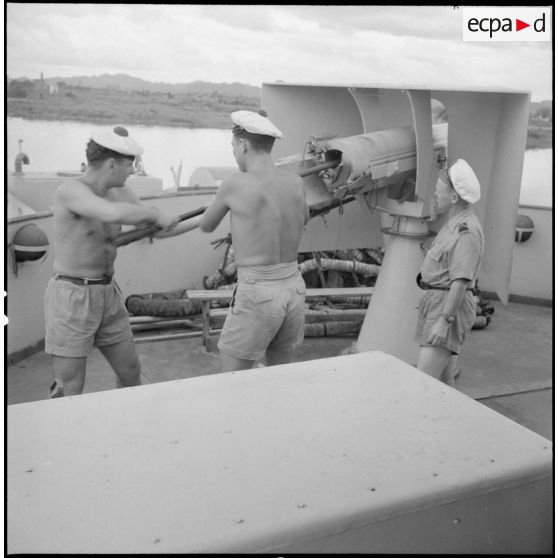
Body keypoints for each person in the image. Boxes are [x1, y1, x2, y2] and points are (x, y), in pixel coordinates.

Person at [45, 126, 177, 397]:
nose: (134, 169)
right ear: (111, 163)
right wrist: (152, 215)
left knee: (130, 371)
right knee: (69, 385)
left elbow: (155, 228)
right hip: (72, 296)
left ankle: (128, 427)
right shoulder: (70, 191)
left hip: (108, 293)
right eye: (131, 163)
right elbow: (111, 213)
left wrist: (209, 216)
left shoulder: (124, 193)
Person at [196, 110, 309, 372]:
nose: (234, 153)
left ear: (242, 144)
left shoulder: (234, 183)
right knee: (279, 373)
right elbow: (304, 217)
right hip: (293, 288)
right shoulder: (295, 182)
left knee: (231, 378)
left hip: (258, 290)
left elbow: (206, 224)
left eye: (233, 146)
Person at [414, 159, 485, 386]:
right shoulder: (454, 223)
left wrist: (444, 321)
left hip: (447, 307)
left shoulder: (467, 232)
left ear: (454, 197)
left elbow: (460, 283)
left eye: (439, 190)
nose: (435, 194)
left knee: (422, 384)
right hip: (437, 301)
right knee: (444, 384)